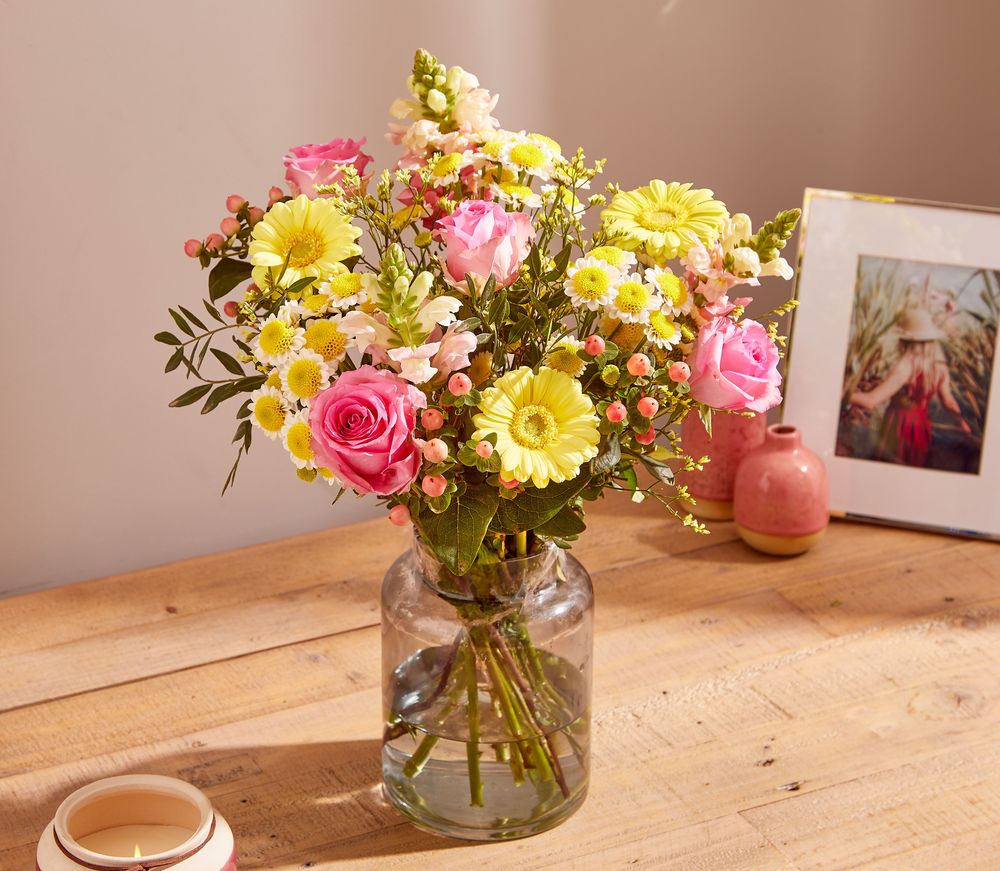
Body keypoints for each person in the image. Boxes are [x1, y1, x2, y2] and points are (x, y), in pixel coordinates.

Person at [848, 307, 971, 467]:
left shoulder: (906, 366)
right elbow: (948, 402)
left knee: (889, 470)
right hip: (921, 426)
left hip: (899, 425)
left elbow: (871, 401)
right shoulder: (939, 366)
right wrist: (963, 425)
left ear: (905, 340)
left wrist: (843, 393)